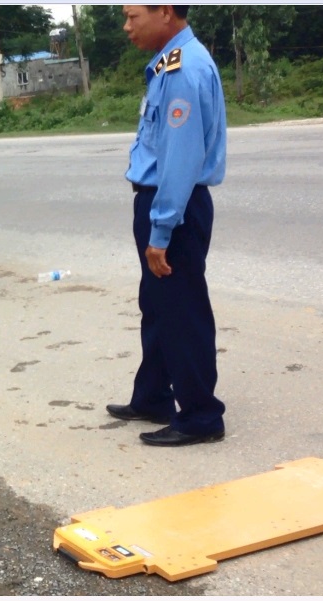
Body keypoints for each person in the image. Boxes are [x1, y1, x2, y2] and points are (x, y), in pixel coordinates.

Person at [106, 5, 228, 447]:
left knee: (182, 311)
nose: (126, 26)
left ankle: (200, 416)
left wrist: (160, 231)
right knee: (157, 306)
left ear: (165, 11)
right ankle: (153, 395)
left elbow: (179, 161)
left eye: (133, 16)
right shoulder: (168, 64)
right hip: (161, 204)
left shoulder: (182, 70)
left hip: (171, 208)